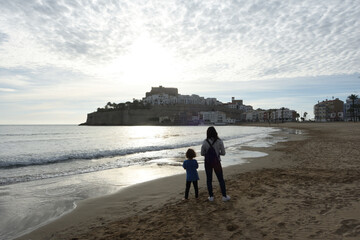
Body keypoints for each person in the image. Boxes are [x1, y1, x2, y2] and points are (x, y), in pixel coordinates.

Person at [201, 126, 230, 202]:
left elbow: (202, 153)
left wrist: (208, 154)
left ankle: (211, 196)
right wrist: (217, 153)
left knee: (209, 180)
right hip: (216, 162)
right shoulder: (219, 141)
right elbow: (223, 153)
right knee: (221, 179)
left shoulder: (205, 142)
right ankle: (224, 196)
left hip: (207, 163)